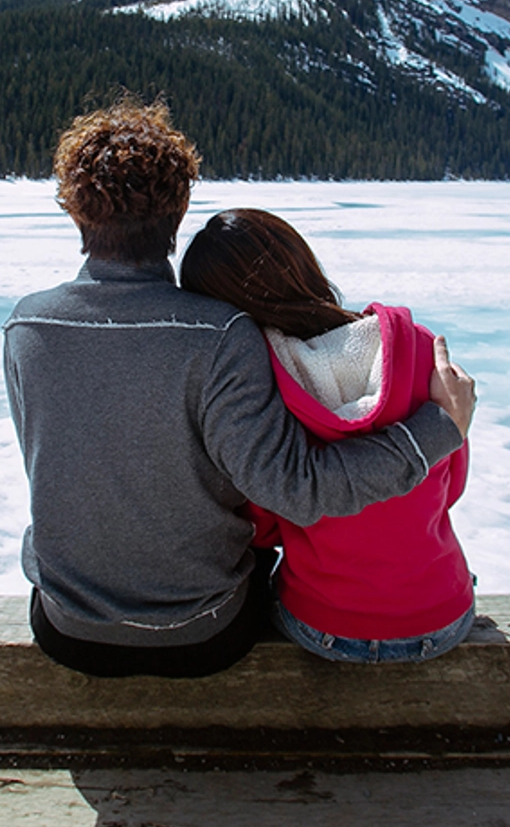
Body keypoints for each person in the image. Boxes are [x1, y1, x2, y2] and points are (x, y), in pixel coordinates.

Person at [3, 98, 475, 678]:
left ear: (76, 212)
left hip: (66, 630)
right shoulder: (220, 334)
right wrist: (439, 428)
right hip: (201, 635)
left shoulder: (26, 327)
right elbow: (298, 491)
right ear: (177, 214)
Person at [180, 208, 475, 663]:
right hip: (442, 617)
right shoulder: (418, 348)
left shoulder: (261, 389)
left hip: (326, 626)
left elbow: (265, 521)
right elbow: (451, 482)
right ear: (301, 261)